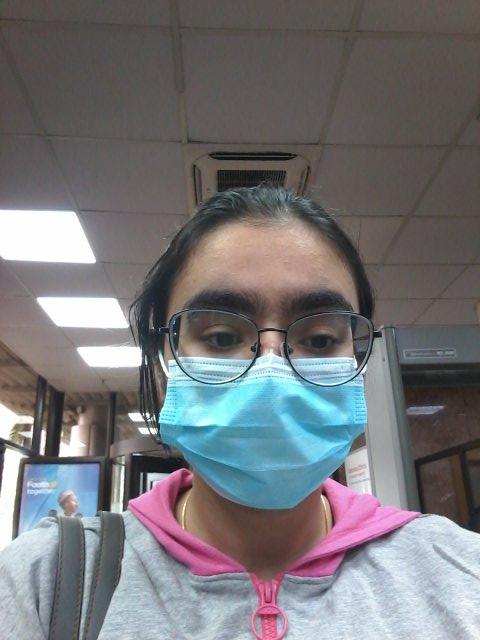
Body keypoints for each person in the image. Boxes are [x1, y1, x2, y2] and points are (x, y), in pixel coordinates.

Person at [1, 185, 479, 639]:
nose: (271, 374)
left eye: (319, 340)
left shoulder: (456, 572)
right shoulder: (45, 582)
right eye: (222, 337)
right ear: (164, 362)